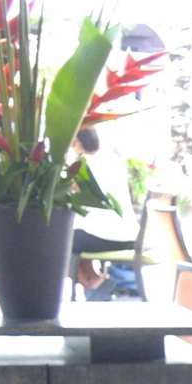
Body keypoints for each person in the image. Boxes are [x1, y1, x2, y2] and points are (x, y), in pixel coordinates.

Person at [70, 127, 140, 298]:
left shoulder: (81, 165)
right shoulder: (114, 160)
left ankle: (90, 284)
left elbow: (74, 197)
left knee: (65, 240)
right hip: (131, 236)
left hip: (107, 237)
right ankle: (94, 281)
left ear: (78, 143)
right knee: (78, 235)